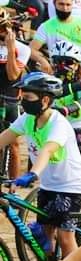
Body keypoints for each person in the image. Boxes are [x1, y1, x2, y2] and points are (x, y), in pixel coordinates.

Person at [0, 72, 81, 261]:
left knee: (65, 237)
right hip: (50, 185)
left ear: (45, 100)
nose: (22, 100)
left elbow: (48, 150)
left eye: (27, 96)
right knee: (43, 234)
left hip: (73, 185)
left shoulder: (58, 124)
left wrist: (32, 173)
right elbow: (4, 138)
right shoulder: (27, 119)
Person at [49, 38, 81, 177]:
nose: (62, 66)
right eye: (58, 62)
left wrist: (68, 109)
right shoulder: (49, 83)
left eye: (68, 62)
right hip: (57, 136)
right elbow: (55, 92)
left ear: (77, 65)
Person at [31, 0, 81, 77]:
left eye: (68, 5)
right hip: (60, 78)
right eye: (61, 4)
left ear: (72, 5)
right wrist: (42, 61)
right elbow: (31, 49)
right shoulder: (46, 26)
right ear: (54, 4)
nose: (65, 8)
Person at [0, 9, 30, 176]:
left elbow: (13, 75)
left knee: (14, 145)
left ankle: (13, 188)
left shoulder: (21, 49)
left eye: (4, 29)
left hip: (11, 100)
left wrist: (11, 50)